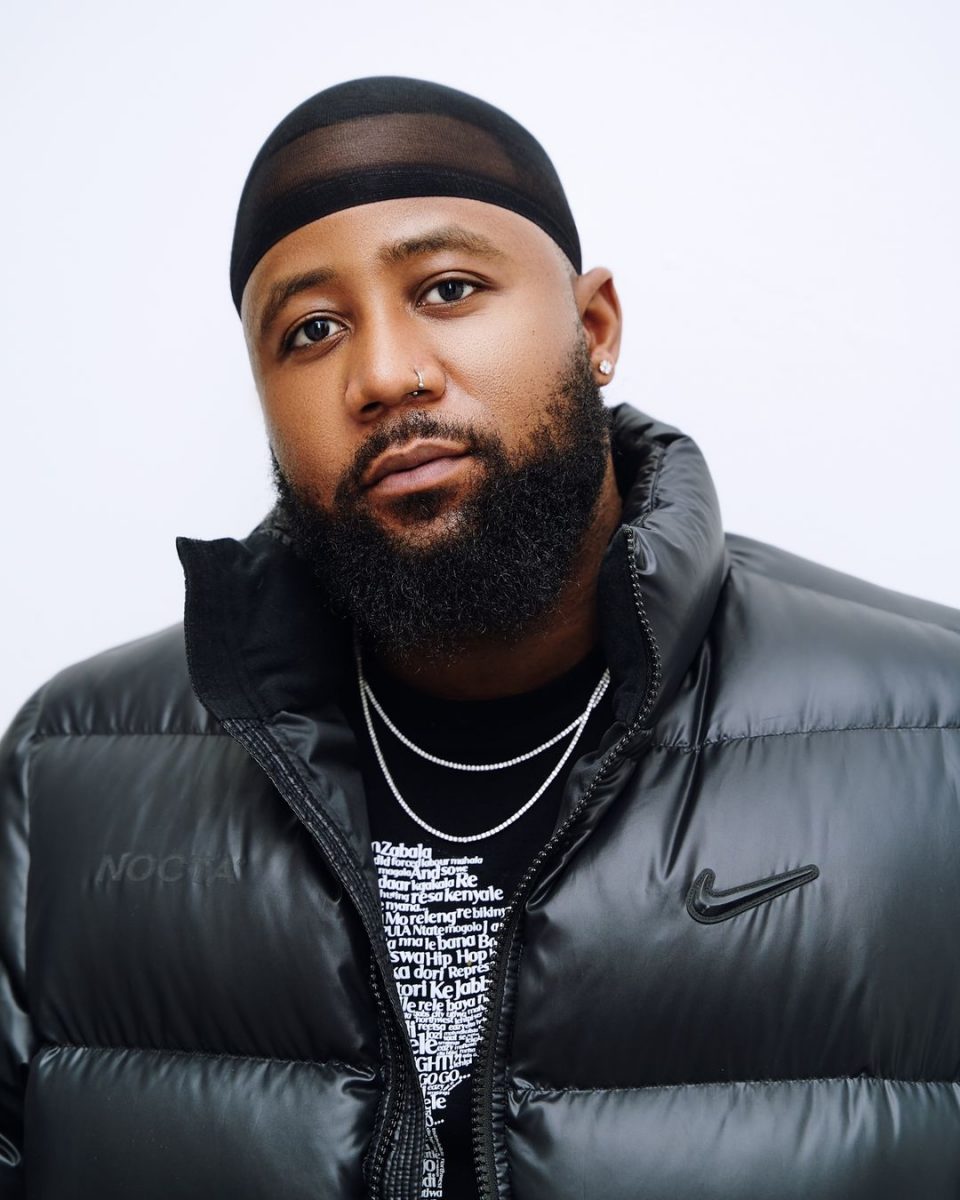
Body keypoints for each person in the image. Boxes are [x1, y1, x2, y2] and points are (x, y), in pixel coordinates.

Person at [2, 74, 959, 1200]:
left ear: (593, 329)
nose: (383, 375)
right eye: (312, 331)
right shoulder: (68, 770)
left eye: (448, 289)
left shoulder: (934, 731)